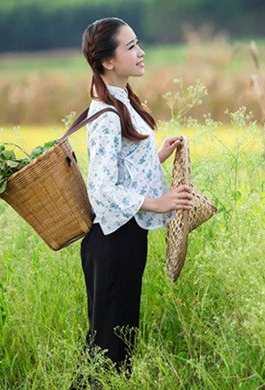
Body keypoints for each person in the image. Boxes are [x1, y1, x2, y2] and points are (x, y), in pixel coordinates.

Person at [79, 17, 194, 375]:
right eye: (130, 47)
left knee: (112, 346)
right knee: (110, 352)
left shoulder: (123, 101)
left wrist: (156, 155)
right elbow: (101, 188)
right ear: (108, 61)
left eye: (138, 43)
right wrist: (158, 203)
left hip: (126, 238)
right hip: (113, 242)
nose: (141, 52)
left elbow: (120, 168)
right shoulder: (107, 114)